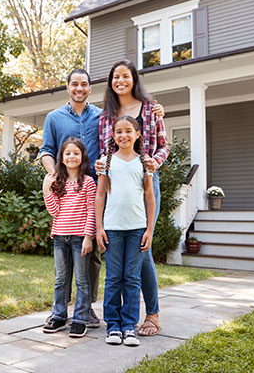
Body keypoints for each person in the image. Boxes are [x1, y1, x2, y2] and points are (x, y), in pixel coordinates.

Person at [40, 68, 165, 328]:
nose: (79, 88)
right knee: (91, 247)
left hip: (124, 184)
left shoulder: (120, 112)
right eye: (74, 84)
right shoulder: (79, 116)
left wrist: (153, 160)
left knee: (133, 249)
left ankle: (143, 314)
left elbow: (155, 144)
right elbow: (48, 151)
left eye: (84, 84)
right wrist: (55, 178)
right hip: (86, 190)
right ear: (67, 87)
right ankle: (73, 310)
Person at [96, 59, 169, 337]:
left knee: (144, 248)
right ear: (111, 82)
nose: (121, 81)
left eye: (126, 76)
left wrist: (153, 163)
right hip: (115, 183)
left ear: (134, 79)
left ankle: (152, 315)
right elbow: (104, 151)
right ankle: (119, 320)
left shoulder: (150, 108)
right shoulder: (106, 115)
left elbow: (164, 146)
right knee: (118, 267)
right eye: (116, 77)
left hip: (145, 179)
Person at [95, 116, 155, 346]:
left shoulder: (144, 163)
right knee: (113, 278)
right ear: (113, 135)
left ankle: (129, 326)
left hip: (137, 228)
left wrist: (149, 229)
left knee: (131, 278)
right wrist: (99, 227)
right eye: (119, 131)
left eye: (128, 131)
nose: (123, 135)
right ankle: (113, 325)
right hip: (113, 228)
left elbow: (149, 197)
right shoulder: (106, 162)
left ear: (138, 134)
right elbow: (100, 195)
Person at [42, 138, 96, 338]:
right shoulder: (58, 182)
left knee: (82, 280)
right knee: (60, 279)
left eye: (76, 153)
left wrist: (88, 237)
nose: (71, 156)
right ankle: (59, 316)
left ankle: (80, 319)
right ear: (62, 158)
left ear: (82, 157)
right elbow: (54, 211)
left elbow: (91, 211)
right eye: (67, 153)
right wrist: (46, 189)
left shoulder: (88, 182)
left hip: (79, 238)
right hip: (59, 237)